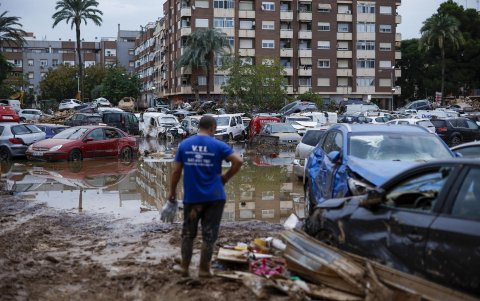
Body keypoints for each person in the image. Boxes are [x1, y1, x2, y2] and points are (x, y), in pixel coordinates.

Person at [168, 115, 243, 277]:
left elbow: (176, 171)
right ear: (212, 127)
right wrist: (225, 177)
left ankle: (185, 267)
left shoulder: (185, 145)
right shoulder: (218, 145)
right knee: (209, 235)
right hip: (215, 197)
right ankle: (203, 269)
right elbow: (238, 161)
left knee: (188, 234)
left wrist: (172, 192)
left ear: (199, 127)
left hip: (193, 198)